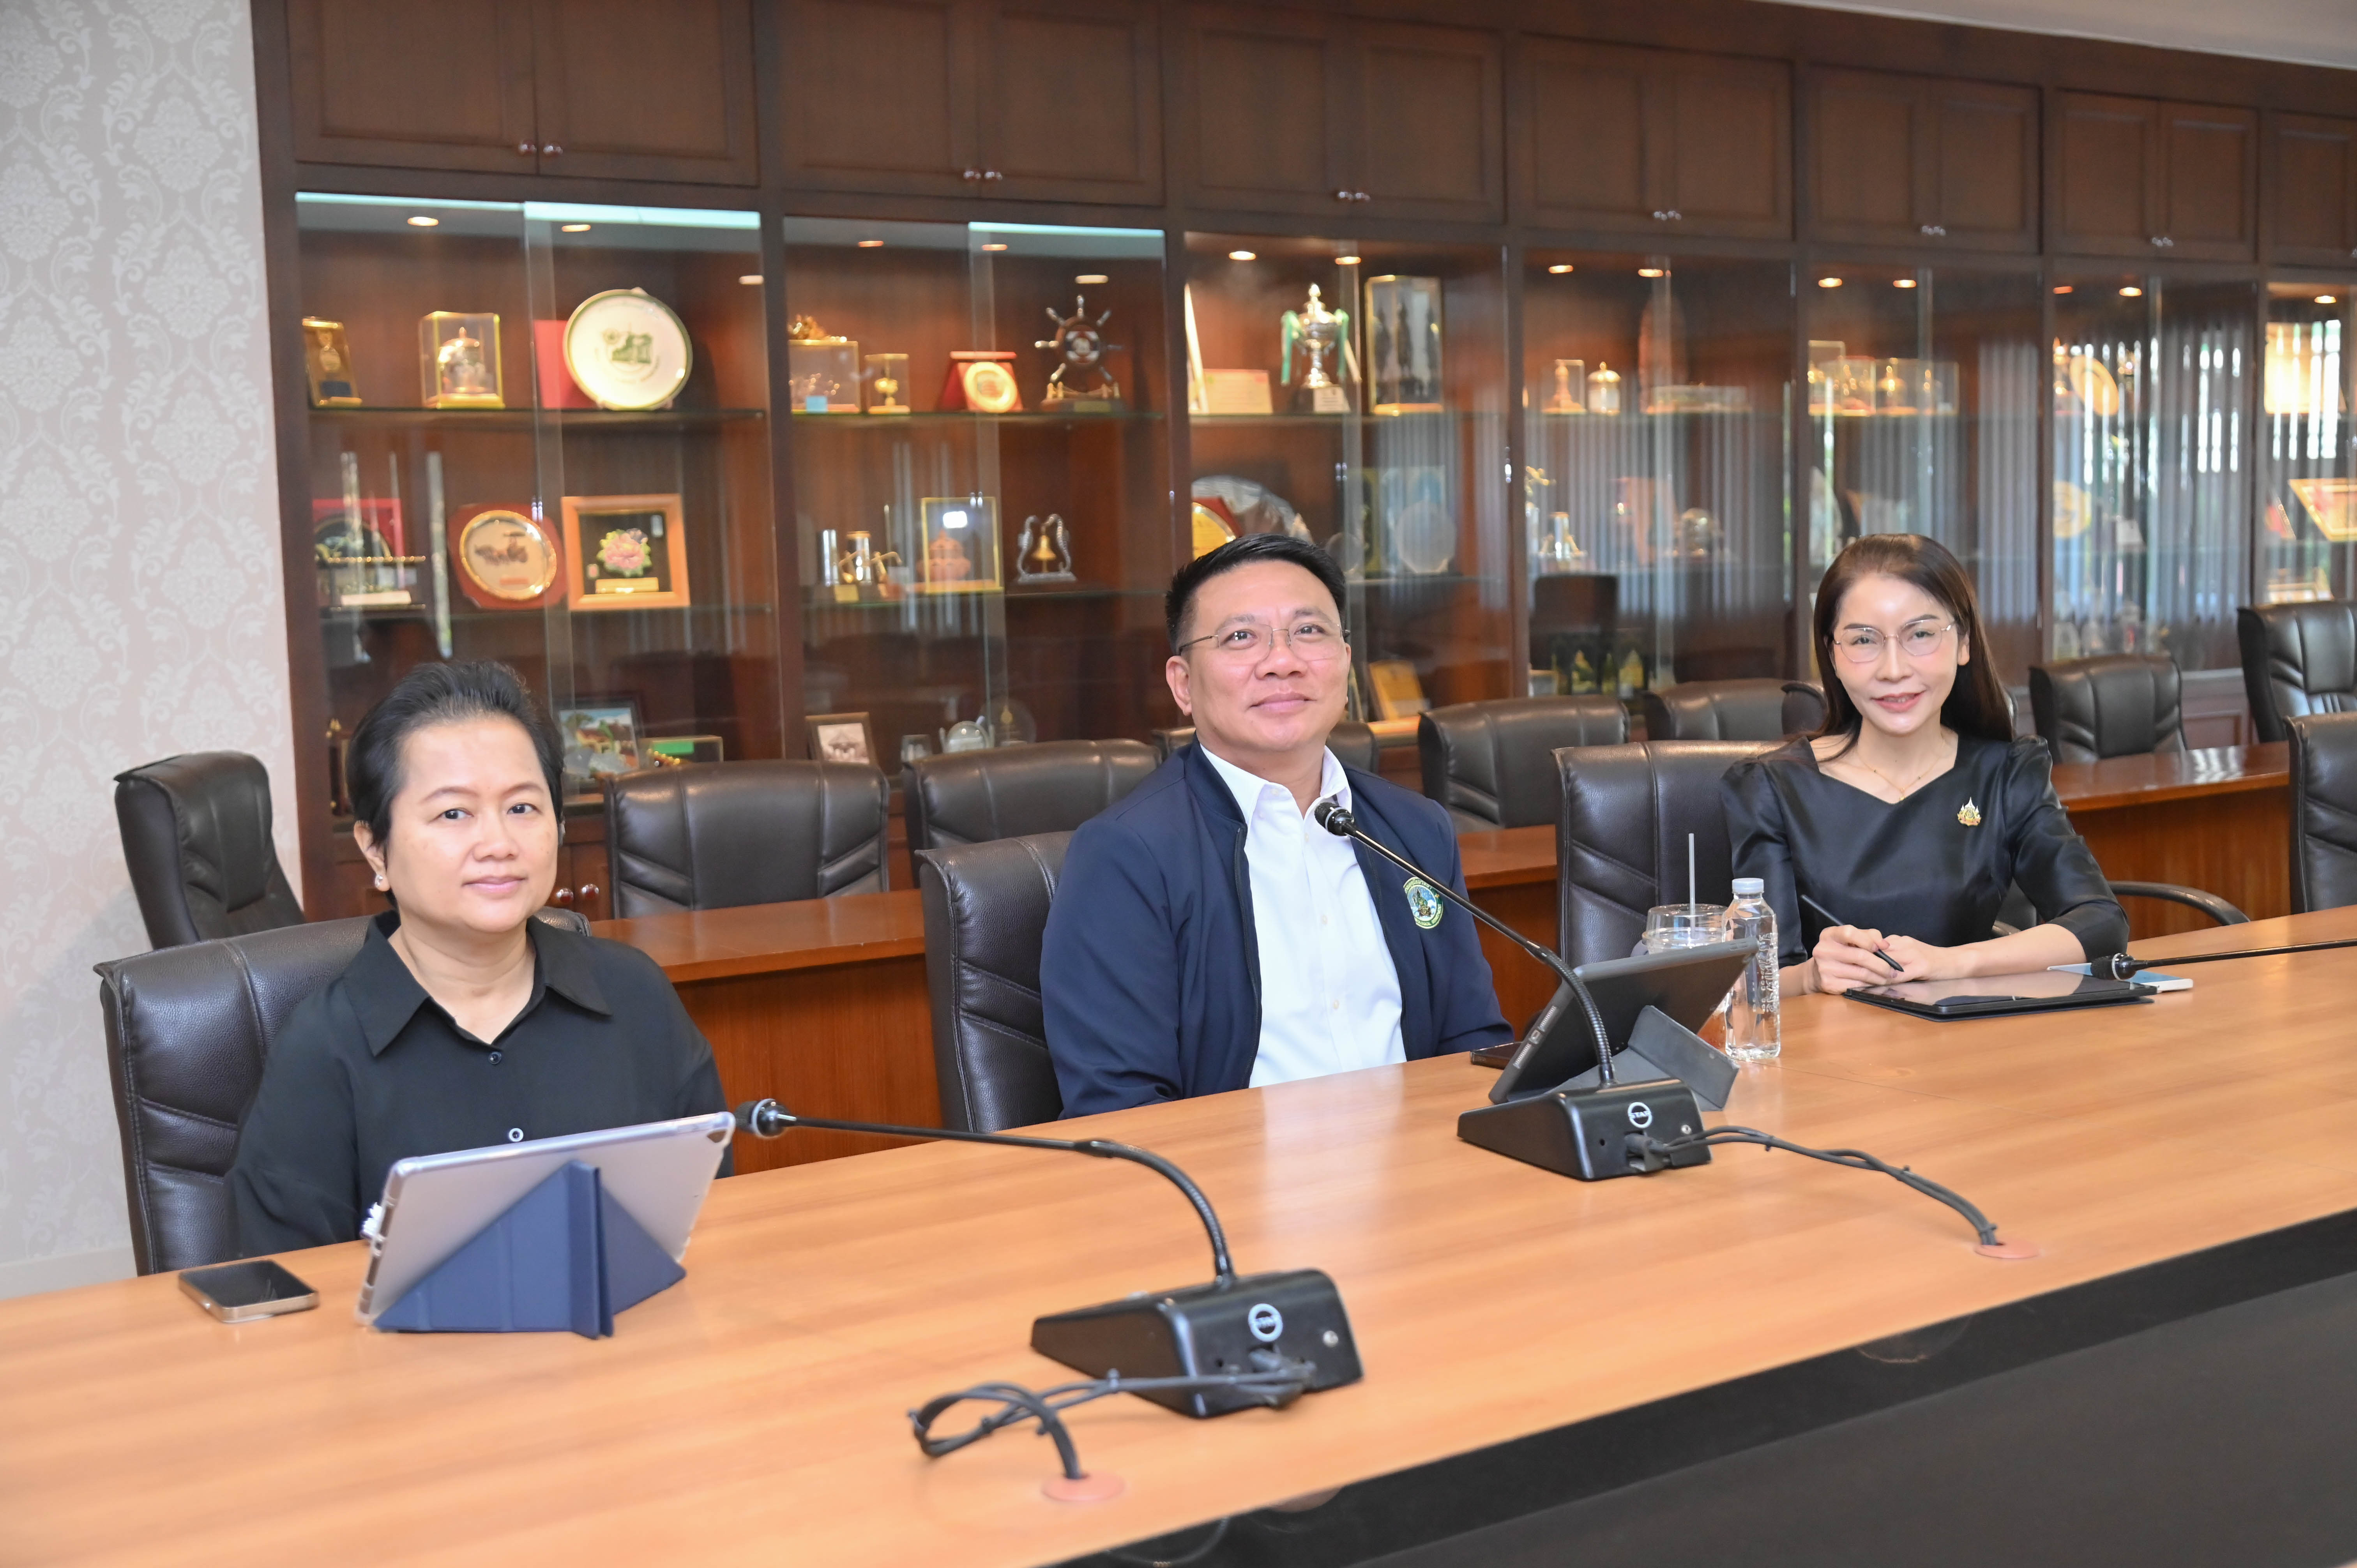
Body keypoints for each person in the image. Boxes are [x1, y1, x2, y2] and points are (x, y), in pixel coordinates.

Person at [229, 662, 728, 1254]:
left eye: (522, 808)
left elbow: (708, 1215)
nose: (499, 844)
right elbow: (290, 1286)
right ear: (375, 849)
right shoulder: (323, 1050)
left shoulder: (635, 995)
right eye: (453, 813)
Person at [1042, 533, 1512, 1115]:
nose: (1282, 662)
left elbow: (1474, 1043)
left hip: (1422, 1157)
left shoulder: (1414, 829)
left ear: (1346, 661)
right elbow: (1120, 1106)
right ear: (1183, 684)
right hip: (1228, 1170)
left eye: (1309, 631)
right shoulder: (1127, 854)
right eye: (1241, 637)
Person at [1721, 534, 2128, 995]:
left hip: (1970, 1030)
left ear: (1964, 643)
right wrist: (1813, 976)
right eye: (1863, 640)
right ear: (1832, 655)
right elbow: (1755, 980)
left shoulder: (2006, 774)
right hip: (1833, 1037)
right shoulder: (1774, 788)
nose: (1894, 669)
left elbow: (2100, 922)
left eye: (1920, 635)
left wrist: (1952, 963)